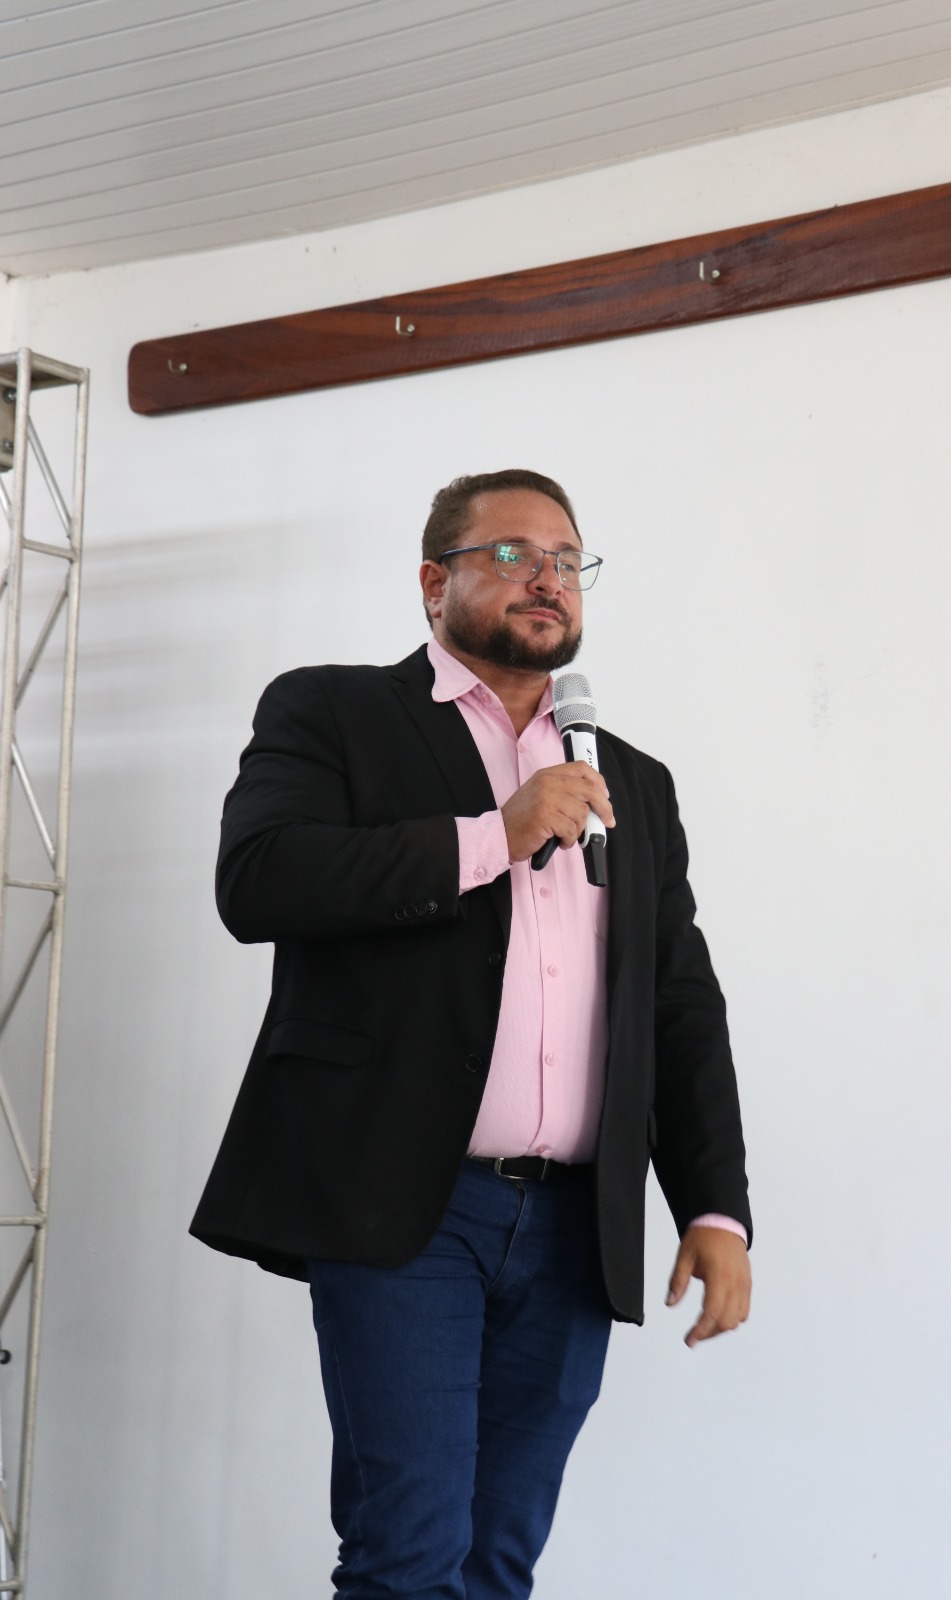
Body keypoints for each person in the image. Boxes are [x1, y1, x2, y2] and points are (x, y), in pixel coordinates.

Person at [191, 468, 752, 1600]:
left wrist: (713, 1207)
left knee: (497, 1561)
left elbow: (677, 1000)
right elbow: (259, 880)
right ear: (432, 581)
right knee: (408, 1555)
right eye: (511, 553)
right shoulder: (333, 712)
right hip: (406, 1201)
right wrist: (493, 834)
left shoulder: (629, 779)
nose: (546, 576)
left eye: (567, 558)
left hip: (574, 1223)